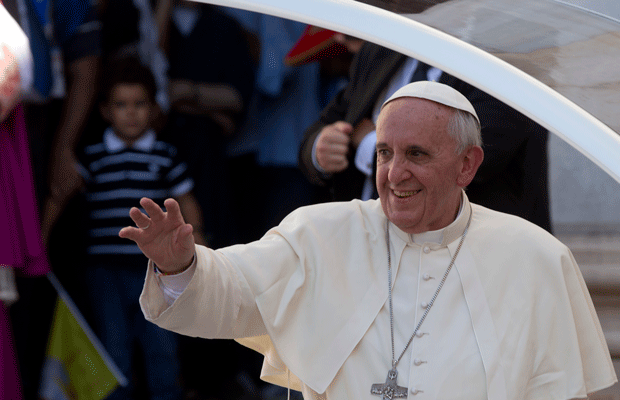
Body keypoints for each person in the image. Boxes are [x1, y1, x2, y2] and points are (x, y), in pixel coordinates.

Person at [121, 81, 616, 399]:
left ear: (467, 165)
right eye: (383, 153)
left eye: (416, 154)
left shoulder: (535, 256)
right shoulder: (321, 232)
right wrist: (180, 266)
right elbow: (234, 288)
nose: (395, 174)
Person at [43, 57, 204, 399]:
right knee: (113, 349)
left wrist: (199, 239)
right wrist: (39, 240)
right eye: (121, 105)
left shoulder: (165, 155)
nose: (130, 113)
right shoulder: (93, 156)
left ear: (155, 109)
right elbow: (60, 194)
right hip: (103, 272)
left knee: (162, 346)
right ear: (104, 111)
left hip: (157, 270)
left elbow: (186, 200)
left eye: (139, 104)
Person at [299, 42, 551, 233]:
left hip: (471, 259)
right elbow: (327, 124)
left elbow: (479, 157)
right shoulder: (380, 49)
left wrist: (369, 144)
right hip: (369, 250)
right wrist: (320, 147)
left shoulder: (506, 60)